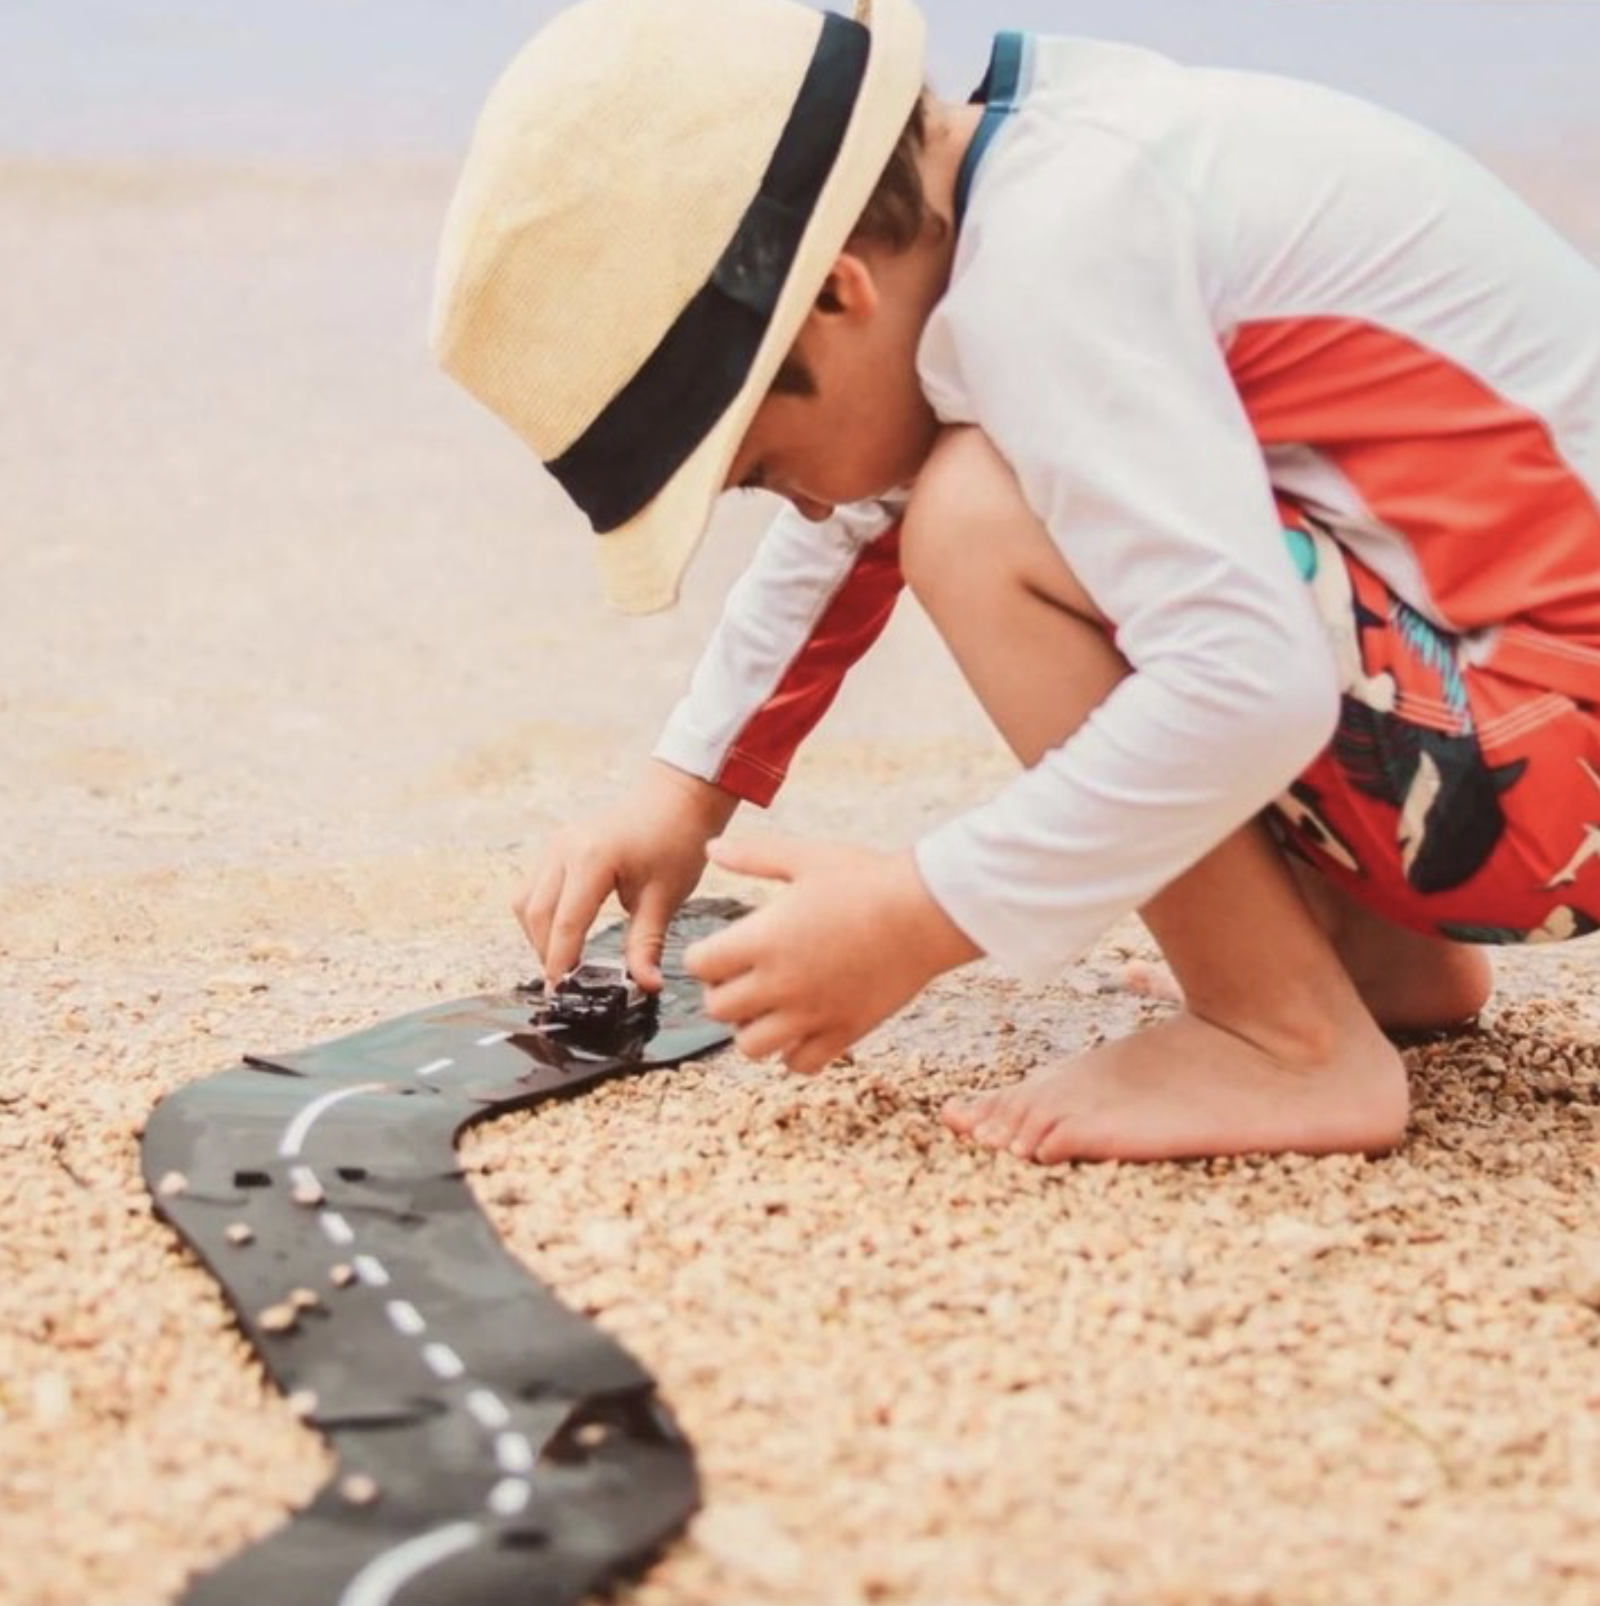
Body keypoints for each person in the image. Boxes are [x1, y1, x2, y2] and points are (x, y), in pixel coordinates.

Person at [430, 0, 1600, 1162]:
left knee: (975, 520)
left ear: (841, 293)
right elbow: (854, 528)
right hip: (1521, 743)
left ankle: (1281, 1032)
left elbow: (1249, 683)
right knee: (1059, 512)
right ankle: (1373, 953)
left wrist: (921, 914)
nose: (805, 506)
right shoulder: (1019, 191)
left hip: (1551, 761)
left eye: (769, 466)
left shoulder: (1055, 266)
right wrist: (681, 794)